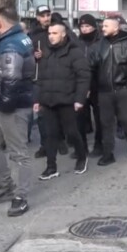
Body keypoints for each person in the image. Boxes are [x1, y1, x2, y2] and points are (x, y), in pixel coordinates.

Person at [0, 7, 35, 217]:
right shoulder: (13, 39)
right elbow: (2, 72)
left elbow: (11, 79)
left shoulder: (11, 44)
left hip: (10, 106)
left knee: (18, 152)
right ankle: (6, 185)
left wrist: (3, 107)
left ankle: (20, 196)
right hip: (1, 104)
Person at [35, 21, 91, 180]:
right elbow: (41, 78)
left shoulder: (75, 52)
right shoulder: (46, 52)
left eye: (55, 33)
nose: (51, 37)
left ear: (63, 34)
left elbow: (83, 77)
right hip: (49, 101)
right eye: (50, 33)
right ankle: (51, 167)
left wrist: (79, 99)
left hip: (68, 100)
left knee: (72, 132)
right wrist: (37, 99)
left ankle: (81, 156)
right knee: (50, 135)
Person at [88, 16, 127, 166]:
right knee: (105, 124)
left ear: (116, 28)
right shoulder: (98, 46)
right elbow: (90, 68)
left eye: (106, 26)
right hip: (104, 92)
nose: (102, 28)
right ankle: (108, 153)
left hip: (123, 90)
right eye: (102, 26)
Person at [28, 5, 63, 158]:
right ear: (37, 17)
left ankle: (60, 140)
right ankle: (44, 144)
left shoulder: (58, 30)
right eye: (42, 15)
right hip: (38, 78)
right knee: (41, 114)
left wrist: (46, 53)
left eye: (48, 14)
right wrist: (33, 55)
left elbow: (64, 49)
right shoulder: (32, 35)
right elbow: (25, 54)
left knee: (58, 111)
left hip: (56, 77)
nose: (46, 18)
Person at [77, 14, 104, 157]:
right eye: (82, 26)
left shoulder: (102, 42)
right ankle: (81, 147)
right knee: (79, 117)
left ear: (94, 27)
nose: (85, 29)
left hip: (97, 84)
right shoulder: (76, 42)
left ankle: (99, 145)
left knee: (100, 118)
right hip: (81, 84)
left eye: (88, 26)